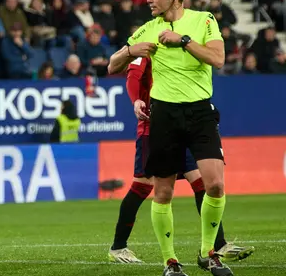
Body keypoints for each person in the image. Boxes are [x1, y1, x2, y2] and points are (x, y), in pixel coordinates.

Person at [108, 0, 232, 276]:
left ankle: (208, 252)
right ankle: (170, 261)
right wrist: (129, 51)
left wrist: (184, 41)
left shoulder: (204, 20)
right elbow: (112, 65)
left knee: (215, 184)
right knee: (161, 191)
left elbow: (217, 59)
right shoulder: (148, 29)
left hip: (200, 112)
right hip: (163, 115)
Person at [107, 55, 254, 264]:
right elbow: (133, 75)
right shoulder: (148, 43)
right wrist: (137, 100)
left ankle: (218, 244)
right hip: (154, 128)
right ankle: (118, 247)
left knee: (201, 182)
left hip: (183, 126)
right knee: (143, 186)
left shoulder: (178, 44)